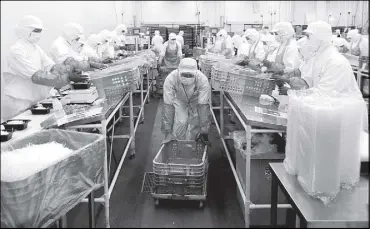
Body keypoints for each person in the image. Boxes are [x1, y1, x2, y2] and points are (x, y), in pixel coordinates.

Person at [1, 15, 84, 122]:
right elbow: (36, 76)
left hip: (33, 100)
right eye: (36, 30)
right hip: (18, 101)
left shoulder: (36, 48)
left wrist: (69, 70)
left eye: (40, 31)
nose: (39, 34)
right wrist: (66, 78)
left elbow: (51, 66)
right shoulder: (16, 51)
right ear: (25, 31)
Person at [279, 21, 362, 95]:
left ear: (320, 38)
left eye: (308, 37)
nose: (306, 41)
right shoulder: (319, 57)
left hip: (340, 110)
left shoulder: (335, 61)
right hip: (327, 106)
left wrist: (293, 93)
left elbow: (323, 94)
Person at [161, 58, 211, 146]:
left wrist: (204, 129)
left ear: (196, 72)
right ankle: (180, 145)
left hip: (196, 100)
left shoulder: (202, 80)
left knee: (196, 122)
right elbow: (168, 106)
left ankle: (194, 145)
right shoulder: (171, 79)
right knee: (181, 121)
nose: (187, 77)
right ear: (178, 70)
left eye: (190, 75)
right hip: (180, 100)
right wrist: (168, 131)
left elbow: (203, 106)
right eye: (184, 74)